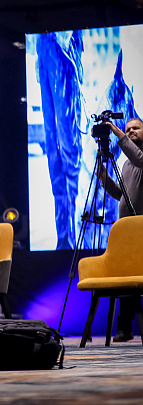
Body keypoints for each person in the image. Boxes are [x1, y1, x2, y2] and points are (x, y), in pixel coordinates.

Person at [98, 117, 143, 342]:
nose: (131, 131)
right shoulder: (126, 163)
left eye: (136, 128)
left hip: (141, 231)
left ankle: (130, 325)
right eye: (128, 129)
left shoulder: (138, 157)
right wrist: (106, 181)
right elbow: (121, 194)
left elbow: (139, 158)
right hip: (127, 233)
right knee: (127, 281)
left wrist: (117, 133)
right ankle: (124, 328)